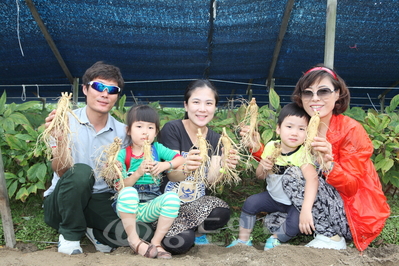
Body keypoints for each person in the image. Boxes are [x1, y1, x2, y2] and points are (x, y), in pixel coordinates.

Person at [247, 64, 390, 252]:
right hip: (323, 204)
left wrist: (329, 164)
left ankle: (331, 237)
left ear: (337, 94)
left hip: (352, 214)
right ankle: (312, 226)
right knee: (272, 223)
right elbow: (285, 156)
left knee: (294, 175)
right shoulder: (302, 126)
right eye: (308, 93)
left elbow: (352, 186)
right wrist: (257, 149)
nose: (315, 99)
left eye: (323, 91)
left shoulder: (351, 130)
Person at [43, 61, 152, 255]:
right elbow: (60, 170)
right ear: (85, 89)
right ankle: (70, 234)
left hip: (100, 199)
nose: (105, 94)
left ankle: (92, 229)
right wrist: (60, 140)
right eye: (99, 87)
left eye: (112, 90)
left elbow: (118, 181)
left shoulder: (123, 133)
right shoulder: (64, 122)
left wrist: (116, 171)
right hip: (63, 200)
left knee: (142, 232)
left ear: (117, 96)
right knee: (82, 172)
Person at [157, 79, 239, 254]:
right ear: (186, 106)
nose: (202, 109)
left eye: (209, 103)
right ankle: (179, 231)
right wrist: (186, 168)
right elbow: (172, 175)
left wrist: (225, 166)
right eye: (196, 102)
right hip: (169, 204)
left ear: (215, 107)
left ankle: (195, 231)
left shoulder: (216, 138)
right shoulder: (172, 129)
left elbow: (211, 179)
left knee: (221, 212)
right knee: (178, 244)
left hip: (195, 205)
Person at [227, 102, 318, 250]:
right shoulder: (271, 146)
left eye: (301, 129)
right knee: (251, 203)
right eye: (289, 127)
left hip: (294, 203)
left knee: (295, 224)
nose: (295, 133)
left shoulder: (303, 154)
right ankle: (243, 240)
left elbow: (312, 179)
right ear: (278, 129)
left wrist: (306, 209)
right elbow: (260, 176)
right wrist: (264, 167)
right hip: (273, 197)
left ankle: (275, 238)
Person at [112, 105, 184, 259]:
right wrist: (138, 173)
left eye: (150, 127)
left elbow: (180, 158)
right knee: (128, 192)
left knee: (172, 198)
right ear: (128, 130)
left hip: (150, 207)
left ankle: (156, 242)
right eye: (139, 126)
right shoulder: (123, 154)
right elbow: (120, 186)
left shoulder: (157, 149)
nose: (145, 132)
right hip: (128, 208)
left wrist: (166, 165)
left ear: (156, 132)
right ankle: (134, 240)